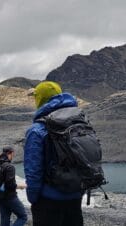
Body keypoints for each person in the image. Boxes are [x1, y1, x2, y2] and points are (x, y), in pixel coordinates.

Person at [24, 81, 83, 226]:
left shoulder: (37, 129)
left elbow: (33, 169)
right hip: (75, 196)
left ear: (41, 99)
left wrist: (33, 198)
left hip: (48, 199)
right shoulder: (79, 123)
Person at [0, 146, 27, 226]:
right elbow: (10, 185)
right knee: (23, 216)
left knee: (5, 218)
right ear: (11, 153)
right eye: (13, 153)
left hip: (0, 197)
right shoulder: (10, 167)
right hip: (10, 197)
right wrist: (20, 186)